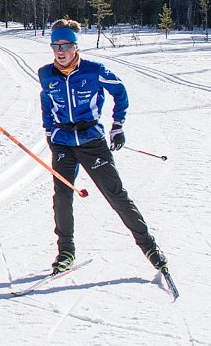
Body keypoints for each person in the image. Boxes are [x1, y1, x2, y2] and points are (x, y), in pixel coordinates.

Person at [36, 19, 168, 276]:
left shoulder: (94, 70)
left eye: (65, 45)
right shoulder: (46, 74)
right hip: (63, 141)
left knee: (115, 195)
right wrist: (49, 130)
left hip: (91, 142)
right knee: (62, 196)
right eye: (55, 45)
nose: (60, 51)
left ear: (75, 46)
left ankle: (149, 247)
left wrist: (117, 125)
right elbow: (45, 100)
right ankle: (65, 252)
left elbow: (120, 92)